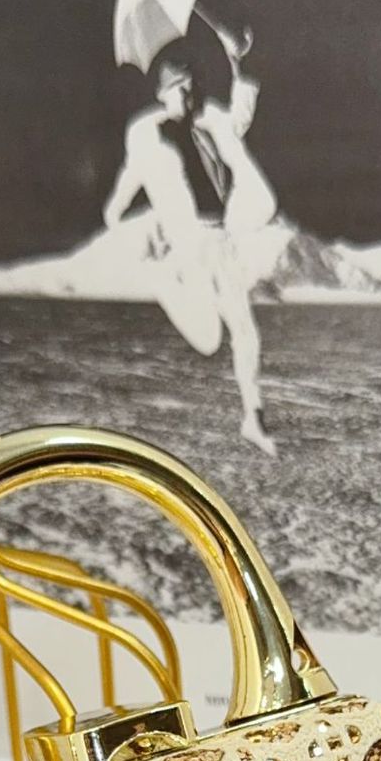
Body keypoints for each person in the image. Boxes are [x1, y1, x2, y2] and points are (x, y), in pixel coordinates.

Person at [103, 38, 280, 456]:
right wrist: (114, 211)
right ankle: (161, 281)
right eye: (180, 89)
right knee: (209, 341)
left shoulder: (211, 119)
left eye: (191, 87)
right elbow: (132, 173)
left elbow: (240, 118)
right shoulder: (147, 131)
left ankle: (253, 418)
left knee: (245, 332)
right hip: (189, 245)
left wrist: (240, 66)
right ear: (163, 94)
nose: (188, 95)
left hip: (221, 239)